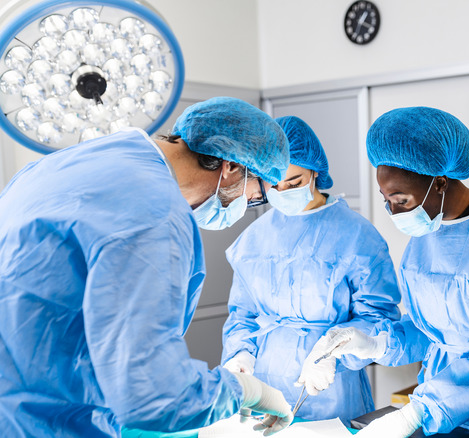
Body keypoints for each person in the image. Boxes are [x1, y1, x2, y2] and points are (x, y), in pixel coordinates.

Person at [0, 97, 294, 437]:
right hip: (38, 423)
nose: (248, 205)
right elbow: (156, 396)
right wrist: (248, 391)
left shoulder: (77, 160)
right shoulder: (155, 213)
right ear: (230, 167)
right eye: (257, 195)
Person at [300, 107, 469, 437]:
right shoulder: (425, 240)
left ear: (439, 182)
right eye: (387, 200)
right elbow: (429, 331)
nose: (393, 212)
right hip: (442, 409)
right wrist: (375, 344)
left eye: (401, 200)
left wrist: (421, 410)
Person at [221, 115, 402, 424]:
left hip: (331, 387)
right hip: (264, 382)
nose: (283, 191)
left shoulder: (357, 235)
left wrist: (332, 354)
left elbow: (377, 317)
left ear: (315, 172)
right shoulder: (253, 238)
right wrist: (240, 355)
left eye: (294, 183)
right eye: (273, 184)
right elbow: (242, 315)